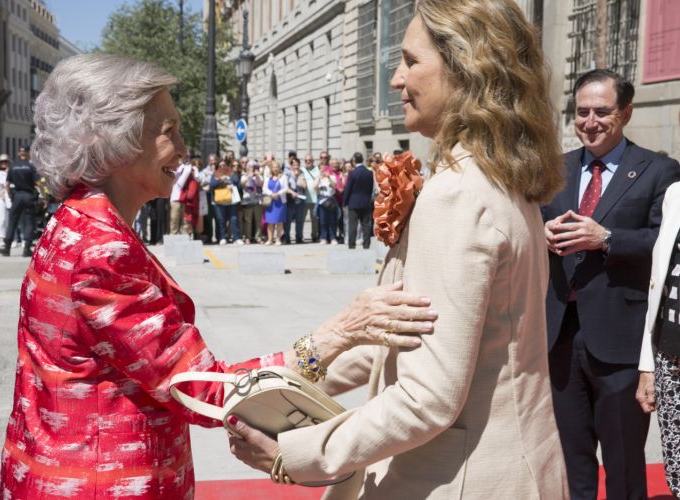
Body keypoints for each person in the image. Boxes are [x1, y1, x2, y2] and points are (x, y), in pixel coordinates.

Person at [0, 53, 436, 498]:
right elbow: (203, 390)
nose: (185, 149)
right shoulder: (102, 249)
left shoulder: (77, 221)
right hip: (101, 483)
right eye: (169, 132)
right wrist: (338, 333)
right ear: (115, 141)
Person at [228, 1, 569, 498]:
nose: (395, 78)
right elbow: (414, 334)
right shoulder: (502, 182)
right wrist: (291, 382)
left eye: (410, 61)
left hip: (462, 479)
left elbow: (426, 398)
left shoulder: (456, 195)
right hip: (515, 466)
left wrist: (297, 452)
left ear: (465, 67)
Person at [543, 69, 680, 500]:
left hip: (621, 344)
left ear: (626, 113)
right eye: (581, 112)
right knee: (572, 458)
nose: (590, 122)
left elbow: (668, 243)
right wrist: (539, 232)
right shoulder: (555, 170)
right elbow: (528, 222)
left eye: (602, 112)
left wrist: (607, 239)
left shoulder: (659, 170)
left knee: (623, 461)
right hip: (561, 339)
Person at [637, 175, 680, 497]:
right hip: (670, 357)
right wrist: (648, 364)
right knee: (677, 469)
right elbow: (659, 287)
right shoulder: (676, 195)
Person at [0, 146, 38, 257]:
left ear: (19, 154)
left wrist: (10, 195)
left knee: (12, 221)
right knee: (29, 222)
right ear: (28, 154)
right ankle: (26, 248)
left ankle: (6, 248)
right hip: (29, 195)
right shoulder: (31, 166)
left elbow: (7, 184)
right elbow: (38, 183)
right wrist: (44, 197)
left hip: (17, 196)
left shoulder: (13, 166)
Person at [343, 152, 374, 250]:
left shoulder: (352, 173)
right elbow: (370, 188)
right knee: (366, 225)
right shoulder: (369, 173)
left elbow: (348, 189)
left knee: (352, 226)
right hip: (365, 202)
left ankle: (352, 245)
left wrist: (344, 203)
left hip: (353, 203)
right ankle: (366, 245)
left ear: (354, 161)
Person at [210, 159, 243, 245]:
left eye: (224, 165)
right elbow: (212, 185)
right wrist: (221, 180)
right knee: (221, 219)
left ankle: (236, 237)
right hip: (219, 201)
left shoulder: (231, 173)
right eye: (220, 165)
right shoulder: (215, 174)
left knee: (234, 219)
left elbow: (238, 184)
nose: (222, 167)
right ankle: (222, 237)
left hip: (231, 200)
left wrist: (230, 183)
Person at [263, 161, 289, 245]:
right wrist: (271, 194)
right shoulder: (268, 177)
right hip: (270, 202)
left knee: (279, 222)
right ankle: (270, 239)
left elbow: (285, 188)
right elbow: (264, 189)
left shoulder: (283, 177)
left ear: (279, 168)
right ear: (271, 168)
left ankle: (278, 239)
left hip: (280, 202)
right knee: (270, 222)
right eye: (273, 167)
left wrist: (277, 193)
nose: (275, 168)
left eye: (276, 167)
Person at [240, 160, 263, 244]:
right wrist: (249, 177)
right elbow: (242, 184)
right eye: (250, 167)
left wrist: (258, 175)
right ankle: (248, 237)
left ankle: (258, 237)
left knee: (258, 220)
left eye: (254, 167)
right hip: (248, 200)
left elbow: (261, 184)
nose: (252, 169)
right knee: (248, 220)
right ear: (247, 168)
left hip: (257, 200)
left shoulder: (258, 176)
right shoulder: (244, 176)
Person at [0, 154, 12, 248]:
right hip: (1, 198)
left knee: (11, 219)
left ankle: (12, 238)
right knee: (2, 219)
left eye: (5, 162)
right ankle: (2, 238)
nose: (4, 163)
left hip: (10, 197)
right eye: (2, 162)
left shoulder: (12, 171)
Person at [317, 161, 339, 245]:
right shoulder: (320, 178)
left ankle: (333, 237)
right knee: (323, 221)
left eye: (325, 169)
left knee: (332, 220)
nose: (324, 171)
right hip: (322, 201)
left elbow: (334, 186)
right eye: (322, 169)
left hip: (331, 201)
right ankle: (323, 237)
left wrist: (329, 177)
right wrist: (319, 178)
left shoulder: (332, 176)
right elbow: (315, 188)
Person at [302, 153, 320, 241]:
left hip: (315, 198)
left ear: (313, 161)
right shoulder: (302, 170)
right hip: (305, 199)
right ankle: (300, 236)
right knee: (302, 219)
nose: (308, 162)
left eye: (310, 160)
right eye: (306, 161)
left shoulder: (318, 169)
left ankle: (314, 236)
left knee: (315, 219)